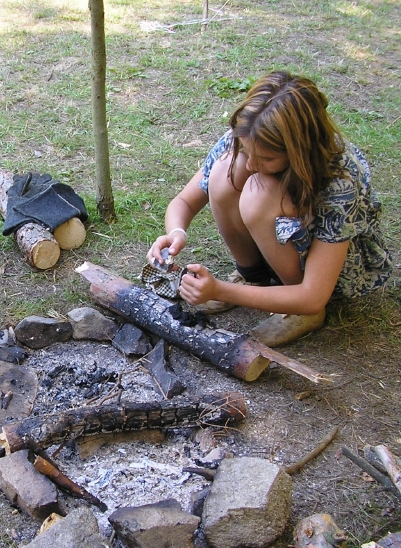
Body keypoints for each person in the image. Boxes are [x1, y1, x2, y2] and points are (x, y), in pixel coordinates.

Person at [147, 70, 392, 346]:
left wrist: (220, 290)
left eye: (266, 158)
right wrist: (176, 232)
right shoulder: (249, 135)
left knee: (256, 193)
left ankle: (295, 305)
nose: (251, 164)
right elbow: (184, 201)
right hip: (282, 243)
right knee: (225, 172)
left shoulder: (339, 178)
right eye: (247, 149)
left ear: (300, 151)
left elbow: (314, 294)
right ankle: (254, 278)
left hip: (320, 276)